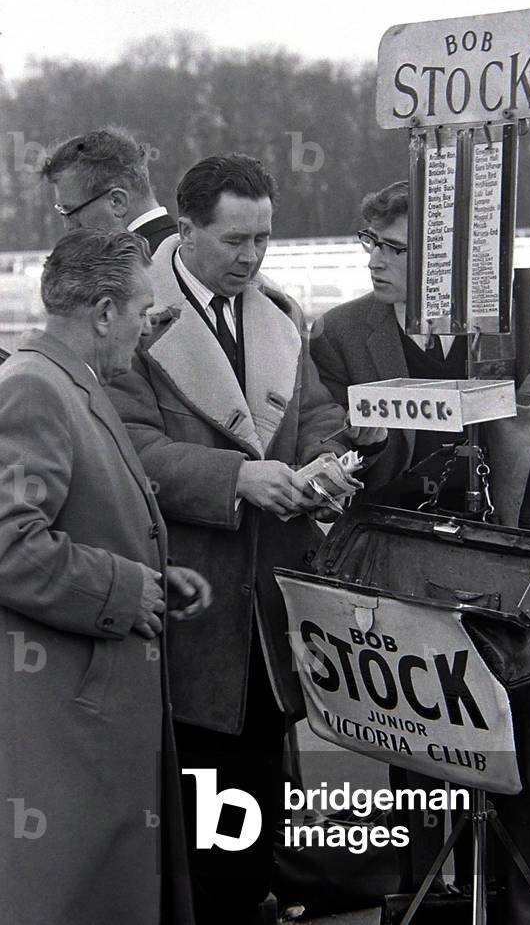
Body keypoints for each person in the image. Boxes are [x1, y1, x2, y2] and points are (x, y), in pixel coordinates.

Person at [106, 153, 383, 925]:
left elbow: (317, 414)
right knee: (194, 825)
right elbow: (131, 449)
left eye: (263, 238)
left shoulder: (280, 314)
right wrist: (238, 477)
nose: (252, 257)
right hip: (188, 617)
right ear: (186, 229)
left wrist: (328, 460)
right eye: (235, 240)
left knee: (252, 812)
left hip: (270, 614)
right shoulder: (136, 319)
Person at [310, 180, 530, 925]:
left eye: (395, 249)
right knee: (423, 745)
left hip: (505, 568)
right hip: (406, 570)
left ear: (447, 263)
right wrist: (359, 447)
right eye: (370, 243)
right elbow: (325, 437)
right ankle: (426, 902)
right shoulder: (338, 332)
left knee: (526, 735)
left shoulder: (509, 313)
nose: (375, 260)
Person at [0, 228, 211, 925]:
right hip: (66, 721)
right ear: (102, 312)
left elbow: (73, 519)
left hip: (89, 705)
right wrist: (124, 589)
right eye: (142, 311)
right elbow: (8, 544)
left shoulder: (66, 382)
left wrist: (154, 575)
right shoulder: (35, 387)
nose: (147, 327)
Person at [41, 126, 177, 252]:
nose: (69, 227)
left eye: (71, 212)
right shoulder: (180, 250)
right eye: (62, 211)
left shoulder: (135, 265)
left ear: (117, 201)